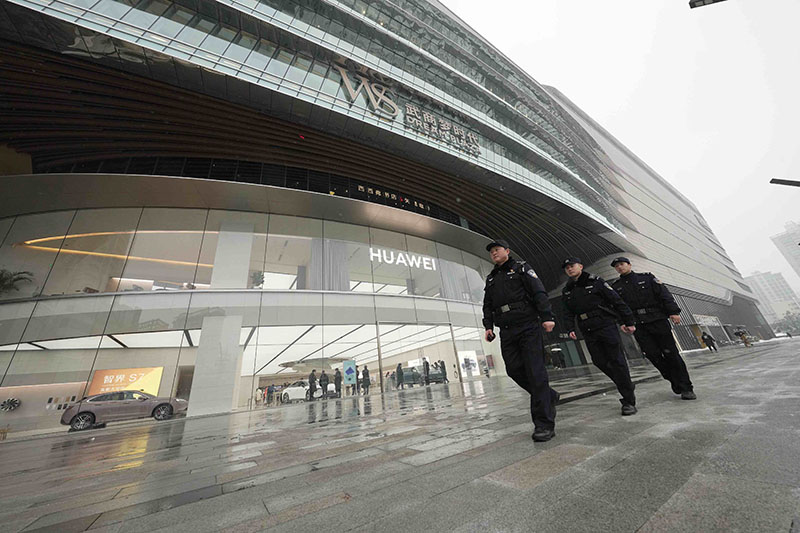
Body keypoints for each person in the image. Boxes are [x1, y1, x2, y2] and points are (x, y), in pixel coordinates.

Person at [482, 239, 559, 442]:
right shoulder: (491, 278)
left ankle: (544, 424)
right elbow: (487, 304)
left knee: (535, 372)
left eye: (497, 250)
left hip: (528, 326)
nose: (493, 253)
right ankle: (548, 395)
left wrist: (547, 316)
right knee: (513, 369)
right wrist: (488, 326)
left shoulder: (521, 268)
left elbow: (538, 291)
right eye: (491, 252)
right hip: (507, 330)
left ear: (507, 251)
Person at [610, 257, 696, 400]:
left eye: (622, 264)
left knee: (672, 355)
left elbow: (664, 294)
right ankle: (673, 379)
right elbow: (617, 306)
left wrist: (673, 312)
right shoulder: (616, 286)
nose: (619, 267)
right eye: (616, 266)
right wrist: (622, 322)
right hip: (639, 325)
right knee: (652, 354)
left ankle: (686, 387)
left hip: (657, 320)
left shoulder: (647, 278)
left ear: (629, 265)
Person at [562, 257, 638, 416]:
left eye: (572, 266)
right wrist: (570, 328)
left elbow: (616, 301)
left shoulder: (596, 281)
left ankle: (628, 401)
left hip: (605, 325)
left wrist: (628, 320)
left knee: (617, 361)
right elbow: (567, 312)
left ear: (580, 266)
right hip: (587, 328)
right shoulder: (567, 289)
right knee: (598, 361)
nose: (569, 269)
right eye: (566, 268)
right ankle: (625, 383)